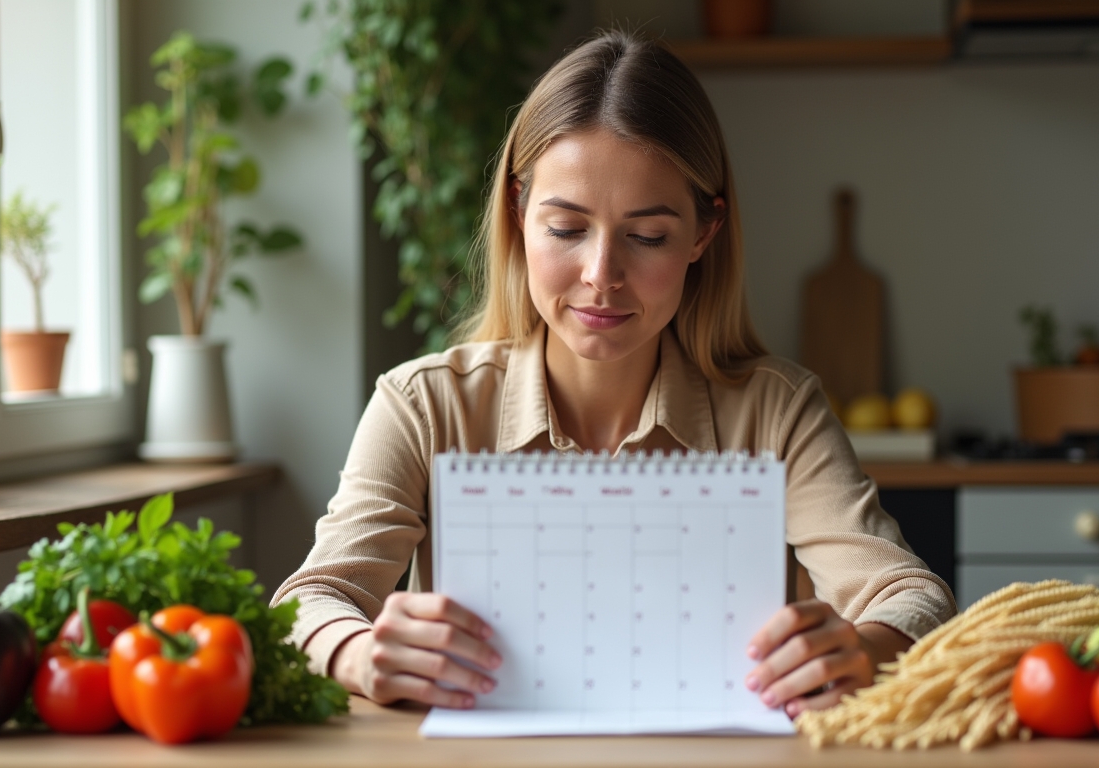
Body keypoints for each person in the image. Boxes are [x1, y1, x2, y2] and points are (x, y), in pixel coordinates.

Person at [272, 30, 955, 720]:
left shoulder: (777, 413)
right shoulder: (423, 406)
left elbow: (912, 595)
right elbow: (308, 601)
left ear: (703, 233)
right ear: (517, 213)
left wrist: (862, 648)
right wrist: (358, 653)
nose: (602, 275)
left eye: (648, 236)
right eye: (567, 229)